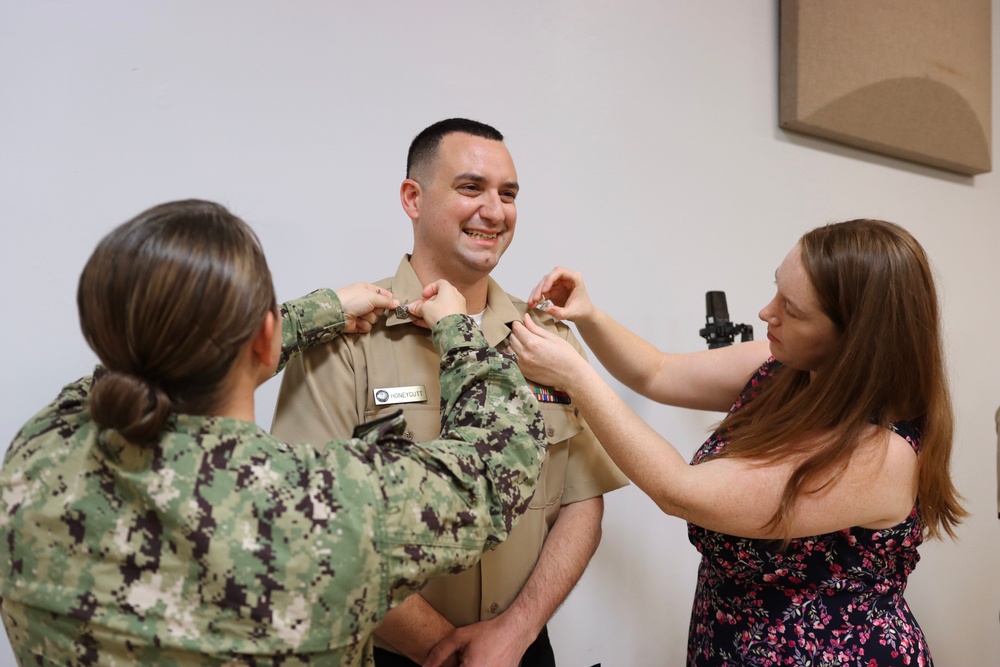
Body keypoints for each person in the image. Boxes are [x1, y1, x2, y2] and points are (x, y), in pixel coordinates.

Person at [0, 199, 548, 666]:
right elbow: (497, 462)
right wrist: (458, 329)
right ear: (263, 340)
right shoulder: (331, 509)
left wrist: (308, 316)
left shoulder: (36, 458)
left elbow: (127, 366)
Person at [508, 219, 966, 666]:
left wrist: (573, 375)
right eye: (776, 290)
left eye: (793, 308)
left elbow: (678, 491)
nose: (767, 313)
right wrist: (590, 315)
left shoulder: (884, 455)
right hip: (725, 641)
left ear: (854, 340)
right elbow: (657, 371)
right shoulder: (787, 368)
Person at [272, 118, 627, 667]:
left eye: (507, 194)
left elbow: (583, 501)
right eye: (471, 188)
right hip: (393, 654)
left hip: (521, 649)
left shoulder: (547, 342)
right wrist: (446, 650)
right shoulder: (346, 336)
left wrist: (515, 630)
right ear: (413, 198)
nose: (495, 210)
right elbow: (311, 525)